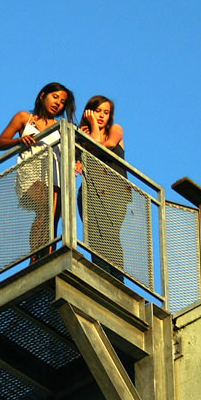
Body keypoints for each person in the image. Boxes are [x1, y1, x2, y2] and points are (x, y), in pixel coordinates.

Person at [0, 82, 75, 263]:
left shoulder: (60, 126)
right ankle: (34, 258)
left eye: (62, 102)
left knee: (51, 217)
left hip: (54, 176)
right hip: (30, 174)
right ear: (42, 96)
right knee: (45, 205)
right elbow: (0, 143)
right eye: (55, 97)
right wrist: (19, 140)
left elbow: (70, 153)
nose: (58, 103)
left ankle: (46, 256)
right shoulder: (25, 117)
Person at [78, 95, 131, 281]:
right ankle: (100, 279)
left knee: (111, 235)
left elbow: (105, 145)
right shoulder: (81, 135)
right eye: (97, 111)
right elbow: (80, 160)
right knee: (94, 239)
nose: (101, 116)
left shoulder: (116, 129)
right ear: (89, 111)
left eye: (106, 112)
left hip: (115, 191)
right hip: (90, 191)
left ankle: (117, 282)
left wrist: (93, 125)